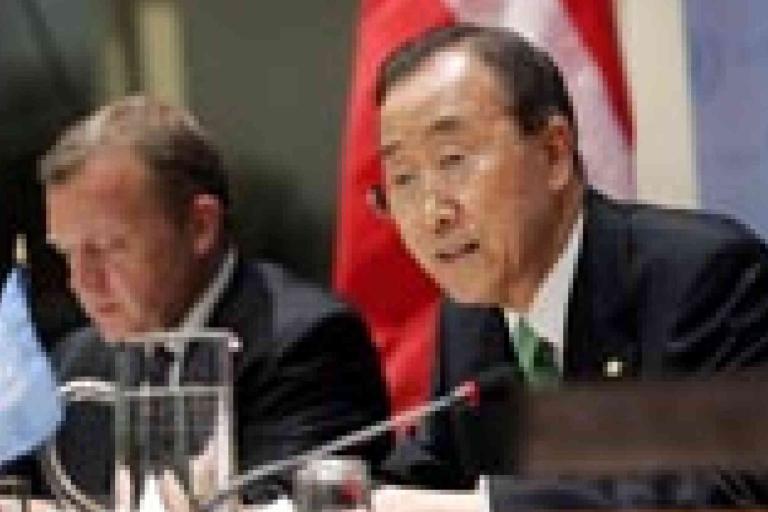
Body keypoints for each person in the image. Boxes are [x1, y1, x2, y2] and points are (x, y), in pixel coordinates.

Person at [373, 24, 768, 510]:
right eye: (403, 178)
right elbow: (431, 471)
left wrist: (488, 508)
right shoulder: (471, 318)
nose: (432, 214)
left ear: (554, 152)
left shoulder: (698, 276)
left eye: (453, 159)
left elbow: (732, 491)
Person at [36, 95, 389, 506]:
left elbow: (287, 502)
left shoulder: (308, 343)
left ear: (201, 226)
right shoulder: (73, 363)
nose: (81, 281)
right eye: (67, 253)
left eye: (110, 247)